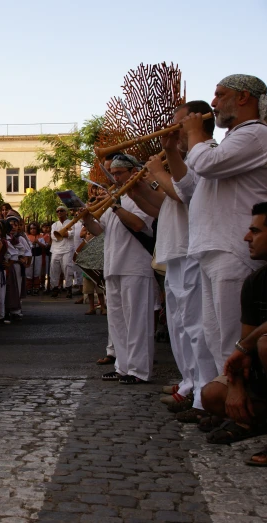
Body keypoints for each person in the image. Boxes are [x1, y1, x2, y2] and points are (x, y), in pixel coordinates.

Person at [130, 100, 217, 414]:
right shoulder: (186, 158)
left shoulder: (206, 154)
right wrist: (137, 188)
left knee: (196, 326)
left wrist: (157, 169)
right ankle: (189, 382)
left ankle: (203, 393)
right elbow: (163, 205)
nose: (171, 130)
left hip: (191, 249)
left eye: (177, 124)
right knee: (181, 325)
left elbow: (182, 193)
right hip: (176, 249)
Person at [181, 74, 267, 378]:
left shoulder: (256, 134)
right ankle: (222, 399)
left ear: (243, 98)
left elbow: (207, 164)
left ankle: (239, 405)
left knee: (232, 337)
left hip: (233, 246)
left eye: (220, 95)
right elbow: (193, 182)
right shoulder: (234, 139)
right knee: (215, 336)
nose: (213, 103)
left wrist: (194, 134)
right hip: (214, 248)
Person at [200, 203, 267, 461]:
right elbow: (243, 347)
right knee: (213, 395)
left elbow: (248, 343)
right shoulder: (256, 281)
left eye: (255, 231)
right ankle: (255, 419)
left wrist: (245, 346)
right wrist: (237, 386)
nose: (246, 237)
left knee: (264, 344)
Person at [83, 154, 156, 385]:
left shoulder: (141, 196)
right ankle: (122, 366)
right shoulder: (116, 197)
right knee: (117, 322)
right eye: (112, 174)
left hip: (135, 265)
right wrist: (85, 219)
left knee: (137, 321)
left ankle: (139, 370)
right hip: (113, 265)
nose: (114, 178)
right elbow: (99, 230)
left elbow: (139, 225)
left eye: (119, 173)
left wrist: (115, 205)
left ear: (133, 172)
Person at [49, 206, 73, 298]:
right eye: (57, 211)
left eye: (61, 210)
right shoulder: (54, 224)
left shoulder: (71, 223)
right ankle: (55, 288)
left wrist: (61, 234)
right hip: (55, 250)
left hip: (67, 249)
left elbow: (72, 234)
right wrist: (64, 234)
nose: (59, 212)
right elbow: (53, 236)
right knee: (54, 269)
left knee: (67, 268)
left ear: (66, 212)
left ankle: (68, 288)